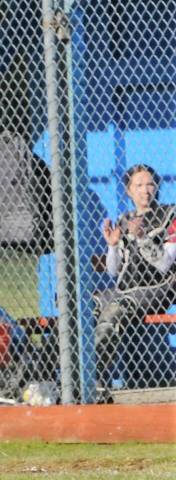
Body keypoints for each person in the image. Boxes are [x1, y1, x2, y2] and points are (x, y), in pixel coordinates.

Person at [95, 164, 176, 401]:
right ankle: (66, 373)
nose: (145, 190)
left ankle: (95, 377)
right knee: (87, 305)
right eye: (138, 185)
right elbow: (113, 271)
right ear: (128, 191)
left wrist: (141, 238)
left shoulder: (170, 215)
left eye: (150, 184)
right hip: (124, 288)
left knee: (116, 309)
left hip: (158, 288)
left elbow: (164, 264)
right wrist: (112, 245)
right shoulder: (125, 219)